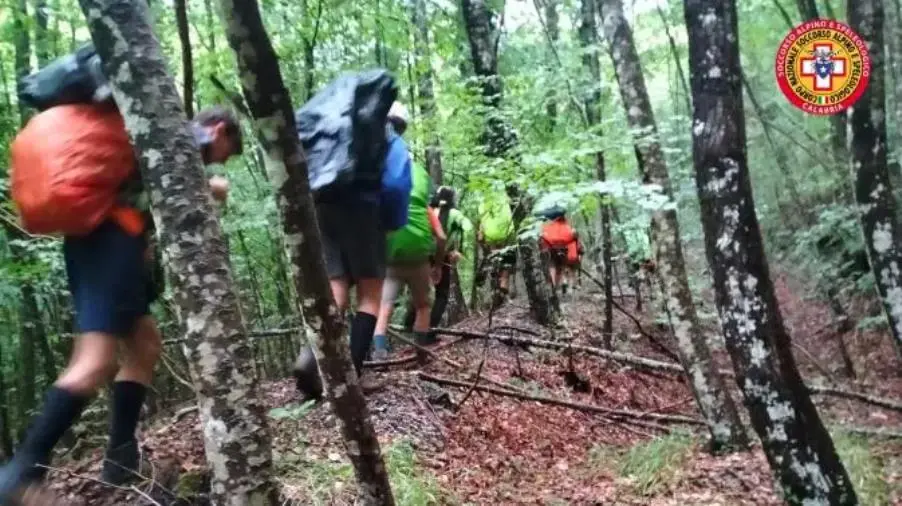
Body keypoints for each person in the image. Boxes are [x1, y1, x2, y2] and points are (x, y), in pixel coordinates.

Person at [0, 106, 243, 501]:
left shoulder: (147, 136)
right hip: (109, 243)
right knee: (93, 362)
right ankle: (20, 473)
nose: (224, 159)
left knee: (144, 345)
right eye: (228, 149)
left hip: (113, 246)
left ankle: (120, 457)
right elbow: (165, 190)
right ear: (218, 130)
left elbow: (141, 193)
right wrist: (209, 187)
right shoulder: (182, 138)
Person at [293, 101, 413, 397]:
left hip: (326, 208)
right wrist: (392, 222)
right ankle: (352, 377)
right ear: (396, 122)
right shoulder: (391, 140)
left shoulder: (343, 132)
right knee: (370, 295)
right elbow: (397, 186)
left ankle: (311, 358)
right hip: (366, 213)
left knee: (337, 287)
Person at [371, 163, 447, 358]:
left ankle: (380, 349)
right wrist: (437, 265)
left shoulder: (385, 206)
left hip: (391, 260)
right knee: (422, 305)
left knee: (385, 304)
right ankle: (420, 351)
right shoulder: (425, 209)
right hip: (418, 260)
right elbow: (441, 237)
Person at [476, 187, 516, 308]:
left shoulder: (483, 202)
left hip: (490, 234)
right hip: (507, 232)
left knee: (494, 257)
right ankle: (503, 285)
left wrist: (481, 234)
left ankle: (495, 287)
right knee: (507, 261)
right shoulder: (504, 198)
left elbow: (482, 220)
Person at [539, 211, 582, 296]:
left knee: (552, 266)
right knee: (563, 267)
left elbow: (542, 239)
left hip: (550, 249)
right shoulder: (567, 226)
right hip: (564, 249)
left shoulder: (546, 227)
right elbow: (573, 237)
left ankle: (553, 288)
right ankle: (565, 282)